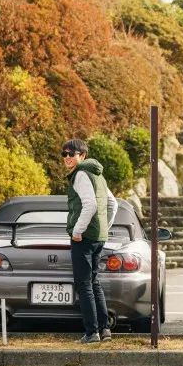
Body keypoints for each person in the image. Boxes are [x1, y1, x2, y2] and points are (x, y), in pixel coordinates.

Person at [62, 138, 118, 344]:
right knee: (94, 282)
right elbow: (113, 204)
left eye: (72, 154)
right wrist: (104, 227)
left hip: (84, 237)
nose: (67, 158)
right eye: (64, 154)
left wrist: (78, 231)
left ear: (83, 155)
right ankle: (104, 330)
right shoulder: (98, 175)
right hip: (98, 236)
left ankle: (92, 333)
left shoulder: (80, 174)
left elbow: (90, 205)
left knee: (84, 284)